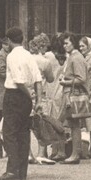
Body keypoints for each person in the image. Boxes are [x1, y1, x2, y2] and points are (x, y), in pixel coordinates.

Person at [0, 27, 40, 180]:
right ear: (22, 39)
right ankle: (22, 170)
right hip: (26, 100)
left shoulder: (12, 56)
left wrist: (29, 94)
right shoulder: (29, 55)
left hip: (14, 95)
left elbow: (18, 80)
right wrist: (37, 100)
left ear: (8, 40)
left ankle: (12, 170)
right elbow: (37, 79)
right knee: (23, 133)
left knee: (10, 133)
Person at [58, 32, 89, 164]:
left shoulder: (76, 58)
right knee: (72, 124)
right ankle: (72, 153)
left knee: (72, 123)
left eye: (67, 43)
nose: (64, 46)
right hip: (69, 93)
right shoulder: (73, 56)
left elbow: (81, 78)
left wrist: (66, 82)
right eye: (63, 43)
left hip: (72, 94)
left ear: (73, 43)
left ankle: (73, 153)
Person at [28, 33, 58, 164]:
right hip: (41, 94)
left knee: (27, 125)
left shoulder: (27, 59)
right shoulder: (45, 62)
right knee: (41, 123)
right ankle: (41, 153)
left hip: (27, 93)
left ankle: (28, 153)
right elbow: (51, 79)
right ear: (42, 47)